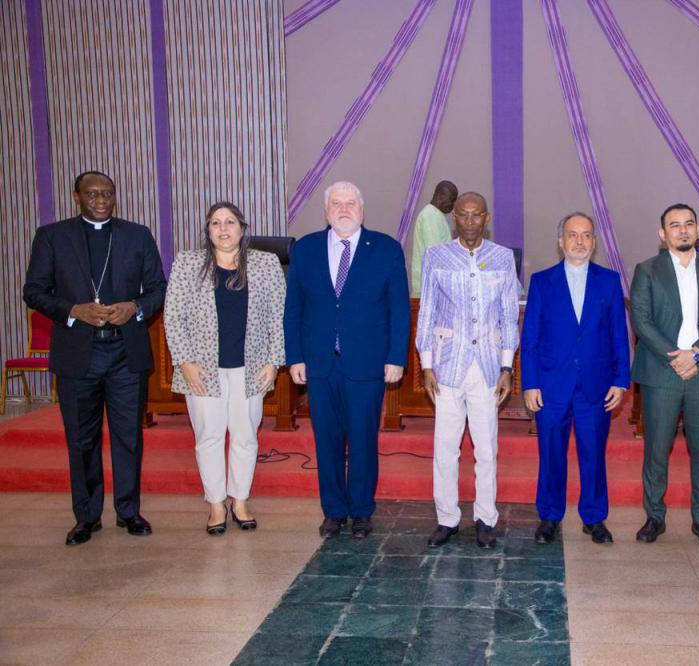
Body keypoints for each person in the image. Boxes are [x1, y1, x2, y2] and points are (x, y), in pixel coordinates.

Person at [23, 171, 166, 546]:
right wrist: (73, 311)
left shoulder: (137, 235)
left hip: (125, 353)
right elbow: (34, 291)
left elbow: (157, 288)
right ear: (77, 197)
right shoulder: (52, 236)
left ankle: (128, 511)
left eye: (107, 193)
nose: (101, 200)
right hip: (78, 355)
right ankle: (86, 517)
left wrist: (134, 307)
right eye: (92, 194)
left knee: (128, 437)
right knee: (81, 439)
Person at [284, 181, 410, 539]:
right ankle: (334, 511)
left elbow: (399, 309)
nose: (343, 209)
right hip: (319, 363)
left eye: (350, 203)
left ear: (362, 209)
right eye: (336, 203)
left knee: (363, 440)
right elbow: (293, 308)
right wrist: (294, 356)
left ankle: (361, 511)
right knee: (326, 440)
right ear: (326, 211)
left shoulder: (386, 249)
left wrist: (396, 357)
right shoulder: (305, 249)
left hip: (367, 363)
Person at [164, 202, 286, 535]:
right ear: (208, 230)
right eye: (215, 223)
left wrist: (274, 362)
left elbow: (278, 316)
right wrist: (184, 362)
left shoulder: (265, 263)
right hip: (202, 369)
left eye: (230, 222)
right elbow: (173, 317)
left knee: (245, 436)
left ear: (242, 228)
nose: (223, 229)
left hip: (252, 367)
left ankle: (240, 501)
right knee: (209, 437)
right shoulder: (187, 263)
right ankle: (216, 504)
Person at [416, 192, 519, 549]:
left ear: (487, 218)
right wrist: (426, 364)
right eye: (463, 215)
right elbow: (427, 311)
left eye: (477, 215)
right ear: (454, 218)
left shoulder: (502, 257)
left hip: (488, 368)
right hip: (447, 366)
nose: (470, 222)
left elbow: (508, 315)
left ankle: (485, 518)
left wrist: (507, 366)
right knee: (445, 447)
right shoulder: (437, 256)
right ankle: (447, 518)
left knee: (486, 448)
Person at [521, 212, 630, 545]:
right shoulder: (542, 281)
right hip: (552, 385)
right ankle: (549, 516)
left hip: (596, 386)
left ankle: (594, 518)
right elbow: (530, 337)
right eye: (572, 234)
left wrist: (621, 380)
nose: (579, 241)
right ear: (561, 241)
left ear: (594, 242)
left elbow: (619, 334)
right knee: (551, 453)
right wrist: (530, 383)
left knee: (593, 453)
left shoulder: (609, 281)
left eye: (586, 235)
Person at [630, 203, 699, 546]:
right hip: (663, 372)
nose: (683, 230)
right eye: (675, 225)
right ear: (663, 234)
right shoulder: (647, 270)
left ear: (697, 228)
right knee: (657, 451)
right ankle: (654, 517)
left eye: (689, 223)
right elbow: (642, 320)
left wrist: (697, 353)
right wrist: (676, 357)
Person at [410, 180, 458, 295]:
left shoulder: (435, 214)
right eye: (451, 200)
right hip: (429, 289)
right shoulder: (430, 216)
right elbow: (435, 254)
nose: (453, 205)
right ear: (441, 196)